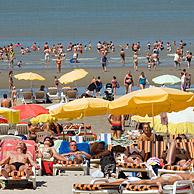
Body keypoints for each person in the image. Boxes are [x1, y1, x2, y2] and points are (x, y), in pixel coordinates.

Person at [122, 173, 194, 194]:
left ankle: (128, 182)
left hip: (172, 178)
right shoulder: (191, 176)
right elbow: (191, 180)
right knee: (148, 182)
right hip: (171, 178)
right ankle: (128, 182)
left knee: (149, 182)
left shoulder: (190, 175)